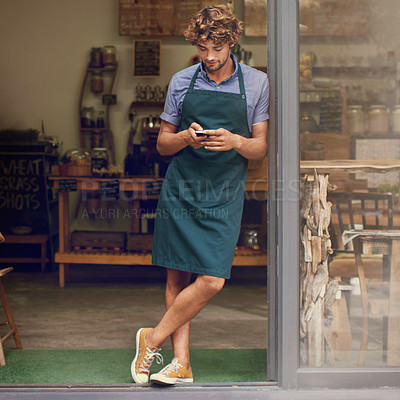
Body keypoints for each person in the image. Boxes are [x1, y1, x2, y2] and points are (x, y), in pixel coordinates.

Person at [131, 4, 269, 386]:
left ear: (233, 43)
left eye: (217, 50)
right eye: (203, 49)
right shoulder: (181, 81)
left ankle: (151, 338)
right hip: (183, 187)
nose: (209, 58)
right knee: (177, 275)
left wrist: (237, 140)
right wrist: (184, 138)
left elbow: (259, 149)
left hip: (225, 192)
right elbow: (162, 145)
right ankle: (180, 364)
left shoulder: (256, 83)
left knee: (211, 279)